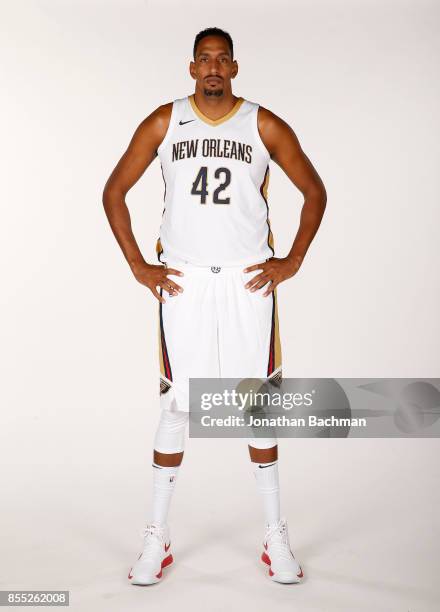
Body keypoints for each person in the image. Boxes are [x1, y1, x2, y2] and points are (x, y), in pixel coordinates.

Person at [102, 27, 326, 586]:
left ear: (235, 67)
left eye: (222, 60)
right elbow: (113, 191)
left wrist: (292, 259)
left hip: (249, 282)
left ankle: (275, 536)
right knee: (178, 405)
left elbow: (315, 191)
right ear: (191, 67)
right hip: (184, 282)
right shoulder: (164, 120)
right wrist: (137, 265)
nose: (213, 69)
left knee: (256, 406)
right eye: (204, 60)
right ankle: (157, 536)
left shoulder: (263, 123)